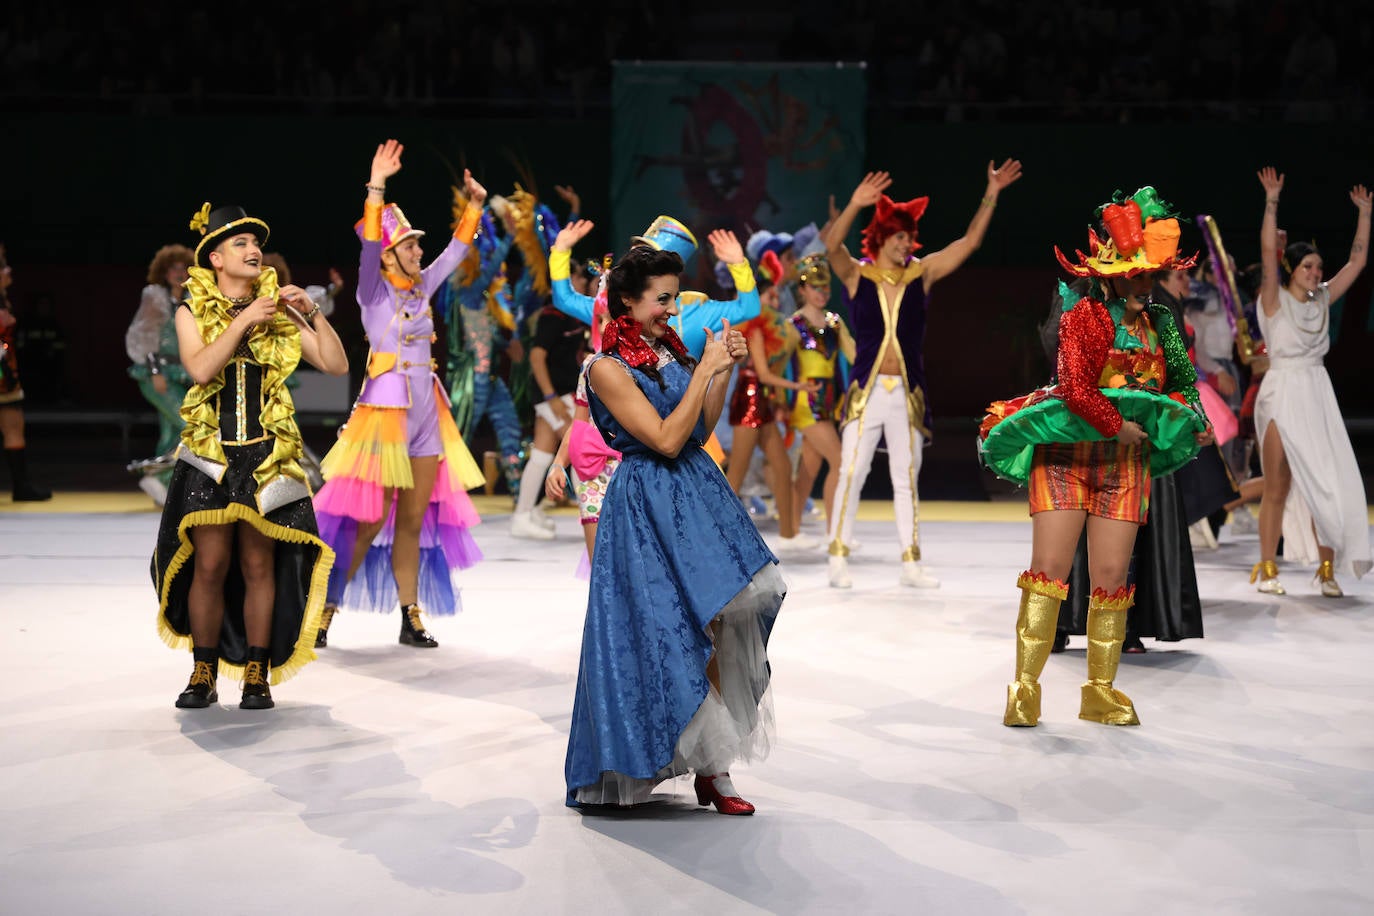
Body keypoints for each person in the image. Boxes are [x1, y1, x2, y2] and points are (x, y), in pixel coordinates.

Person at [979, 185, 1212, 726]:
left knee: (1112, 574)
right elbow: (1075, 387)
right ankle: (1024, 687)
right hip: (1066, 456)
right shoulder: (1085, 315)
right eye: (1137, 274)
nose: (1146, 284)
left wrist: (1193, 419)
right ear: (1111, 271)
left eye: (1151, 275)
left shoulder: (1163, 324)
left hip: (1124, 465)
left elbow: (1183, 383)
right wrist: (1118, 424)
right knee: (1050, 570)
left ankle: (1100, 690)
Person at [564, 245, 786, 814]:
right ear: (626, 302)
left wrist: (721, 371)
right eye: (662, 299)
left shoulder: (669, 352)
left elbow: (698, 428)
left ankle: (717, 770)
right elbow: (662, 439)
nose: (671, 308)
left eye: (673, 297)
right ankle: (644, 759)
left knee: (714, 620)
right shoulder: (606, 369)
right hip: (644, 505)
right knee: (663, 628)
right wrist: (705, 372)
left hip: (694, 496)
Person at [153, 200, 349, 710]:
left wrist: (310, 312)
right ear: (214, 258)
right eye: (239, 242)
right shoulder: (190, 308)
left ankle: (257, 673)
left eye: (255, 242)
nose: (253, 249)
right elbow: (199, 369)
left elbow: (334, 363)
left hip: (268, 454)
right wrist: (243, 323)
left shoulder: (278, 310)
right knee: (211, 563)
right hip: (209, 456)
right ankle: (203, 671)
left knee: (259, 562)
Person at [312, 140, 489, 649]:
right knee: (366, 523)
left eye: (416, 244)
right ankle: (324, 612)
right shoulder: (373, 290)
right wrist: (377, 185)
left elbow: (456, 251)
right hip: (384, 414)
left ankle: (411, 615)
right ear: (389, 253)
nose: (418, 250)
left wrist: (474, 206)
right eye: (409, 245)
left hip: (426, 415)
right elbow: (368, 247)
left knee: (413, 520)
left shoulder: (421, 286)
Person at [824, 162, 1023, 589]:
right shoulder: (858, 275)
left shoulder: (922, 272)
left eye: (910, 237)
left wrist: (991, 192)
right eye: (900, 236)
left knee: (905, 479)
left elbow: (969, 242)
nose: (908, 243)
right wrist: (856, 205)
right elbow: (831, 244)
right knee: (851, 472)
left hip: (908, 393)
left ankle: (911, 561)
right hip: (866, 391)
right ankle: (838, 554)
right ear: (881, 237)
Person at [1250, 167, 1372, 596]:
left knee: (1326, 478)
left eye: (1319, 266)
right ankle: (1267, 569)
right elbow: (1268, 252)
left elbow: (1357, 261)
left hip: (1316, 390)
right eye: (1308, 265)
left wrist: (1365, 215)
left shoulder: (1322, 300)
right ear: (1292, 269)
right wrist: (1271, 200)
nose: (1317, 272)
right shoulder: (1274, 297)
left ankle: (1327, 571)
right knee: (1278, 484)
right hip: (1282, 391)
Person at [724, 251, 817, 551]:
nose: (777, 303)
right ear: (761, 298)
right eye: (772, 297)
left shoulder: (768, 328)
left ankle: (790, 534)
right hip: (749, 400)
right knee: (735, 475)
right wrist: (797, 385)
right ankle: (718, 535)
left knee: (780, 467)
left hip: (761, 402)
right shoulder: (758, 328)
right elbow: (762, 374)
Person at [786, 253, 854, 540]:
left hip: (829, 400)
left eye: (826, 287)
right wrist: (783, 398)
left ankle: (791, 529)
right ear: (802, 289)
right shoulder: (792, 325)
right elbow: (777, 365)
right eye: (815, 287)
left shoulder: (835, 322)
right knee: (840, 462)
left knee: (808, 471)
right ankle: (834, 532)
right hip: (805, 400)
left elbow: (854, 355)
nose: (822, 293)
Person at [509, 297, 589, 539]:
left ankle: (525, 514)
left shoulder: (574, 315)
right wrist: (551, 397)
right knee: (578, 448)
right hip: (553, 396)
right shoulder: (553, 315)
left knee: (542, 455)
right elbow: (536, 356)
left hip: (563, 394)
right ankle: (590, 516)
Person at [125, 244, 195, 504]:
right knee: (188, 425)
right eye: (173, 268)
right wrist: (156, 372)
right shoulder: (156, 297)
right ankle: (159, 479)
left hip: (180, 373)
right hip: (157, 373)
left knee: (170, 432)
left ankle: (165, 489)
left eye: (182, 268)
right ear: (163, 272)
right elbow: (144, 334)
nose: (178, 273)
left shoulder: (190, 299)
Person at [0, 244, 52, 501]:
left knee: (14, 423)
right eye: (2, 268)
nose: (8, 271)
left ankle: (21, 486)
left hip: (5, 373)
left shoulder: (3, 297)